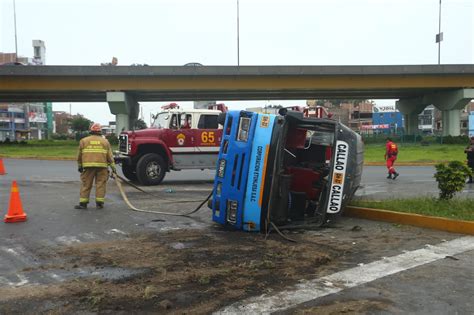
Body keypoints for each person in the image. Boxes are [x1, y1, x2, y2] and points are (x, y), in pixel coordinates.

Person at [75, 123, 116, 209]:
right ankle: (99, 203)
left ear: (91, 131)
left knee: (86, 184)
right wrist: (113, 168)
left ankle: (83, 204)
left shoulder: (83, 141)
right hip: (102, 167)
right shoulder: (105, 141)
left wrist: (79, 165)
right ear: (100, 132)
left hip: (88, 167)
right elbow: (110, 156)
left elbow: (79, 155)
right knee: (100, 184)